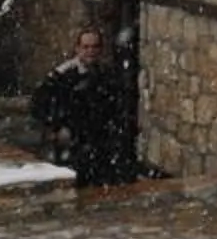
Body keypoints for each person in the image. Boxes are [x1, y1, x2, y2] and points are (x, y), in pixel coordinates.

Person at [30, 27, 138, 187]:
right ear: (77, 48)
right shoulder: (63, 76)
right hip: (73, 144)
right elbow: (39, 104)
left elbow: (117, 106)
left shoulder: (107, 75)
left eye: (95, 47)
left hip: (100, 144)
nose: (90, 51)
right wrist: (56, 127)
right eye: (86, 47)